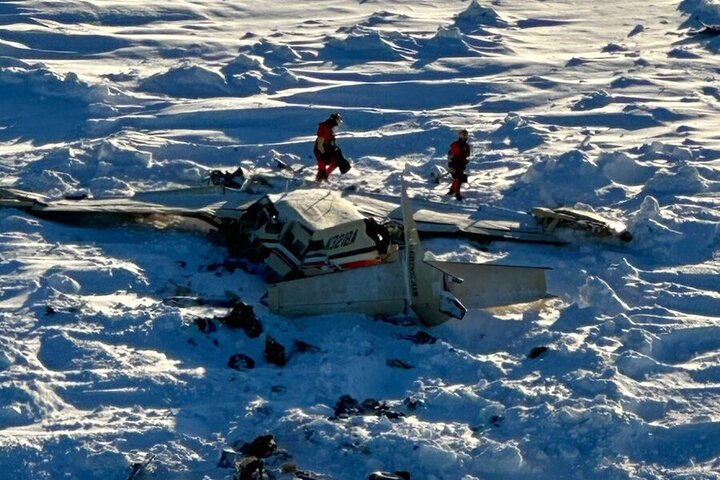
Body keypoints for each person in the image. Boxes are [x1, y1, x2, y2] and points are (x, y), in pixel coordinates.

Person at [314, 113, 351, 181]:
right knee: (323, 163)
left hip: (328, 148)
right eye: (338, 121)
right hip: (320, 149)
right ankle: (319, 179)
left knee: (337, 161)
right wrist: (324, 153)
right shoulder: (324, 127)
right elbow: (320, 144)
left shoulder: (330, 128)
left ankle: (325, 176)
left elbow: (330, 141)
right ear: (334, 120)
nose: (338, 124)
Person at [447, 129, 471, 200]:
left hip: (461, 164)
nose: (464, 136)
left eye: (465, 135)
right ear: (460, 135)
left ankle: (452, 190)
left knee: (458, 178)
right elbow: (451, 155)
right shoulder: (455, 144)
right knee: (458, 178)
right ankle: (457, 193)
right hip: (454, 164)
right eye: (463, 135)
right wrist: (450, 165)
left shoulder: (466, 146)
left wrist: (465, 160)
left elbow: (467, 155)